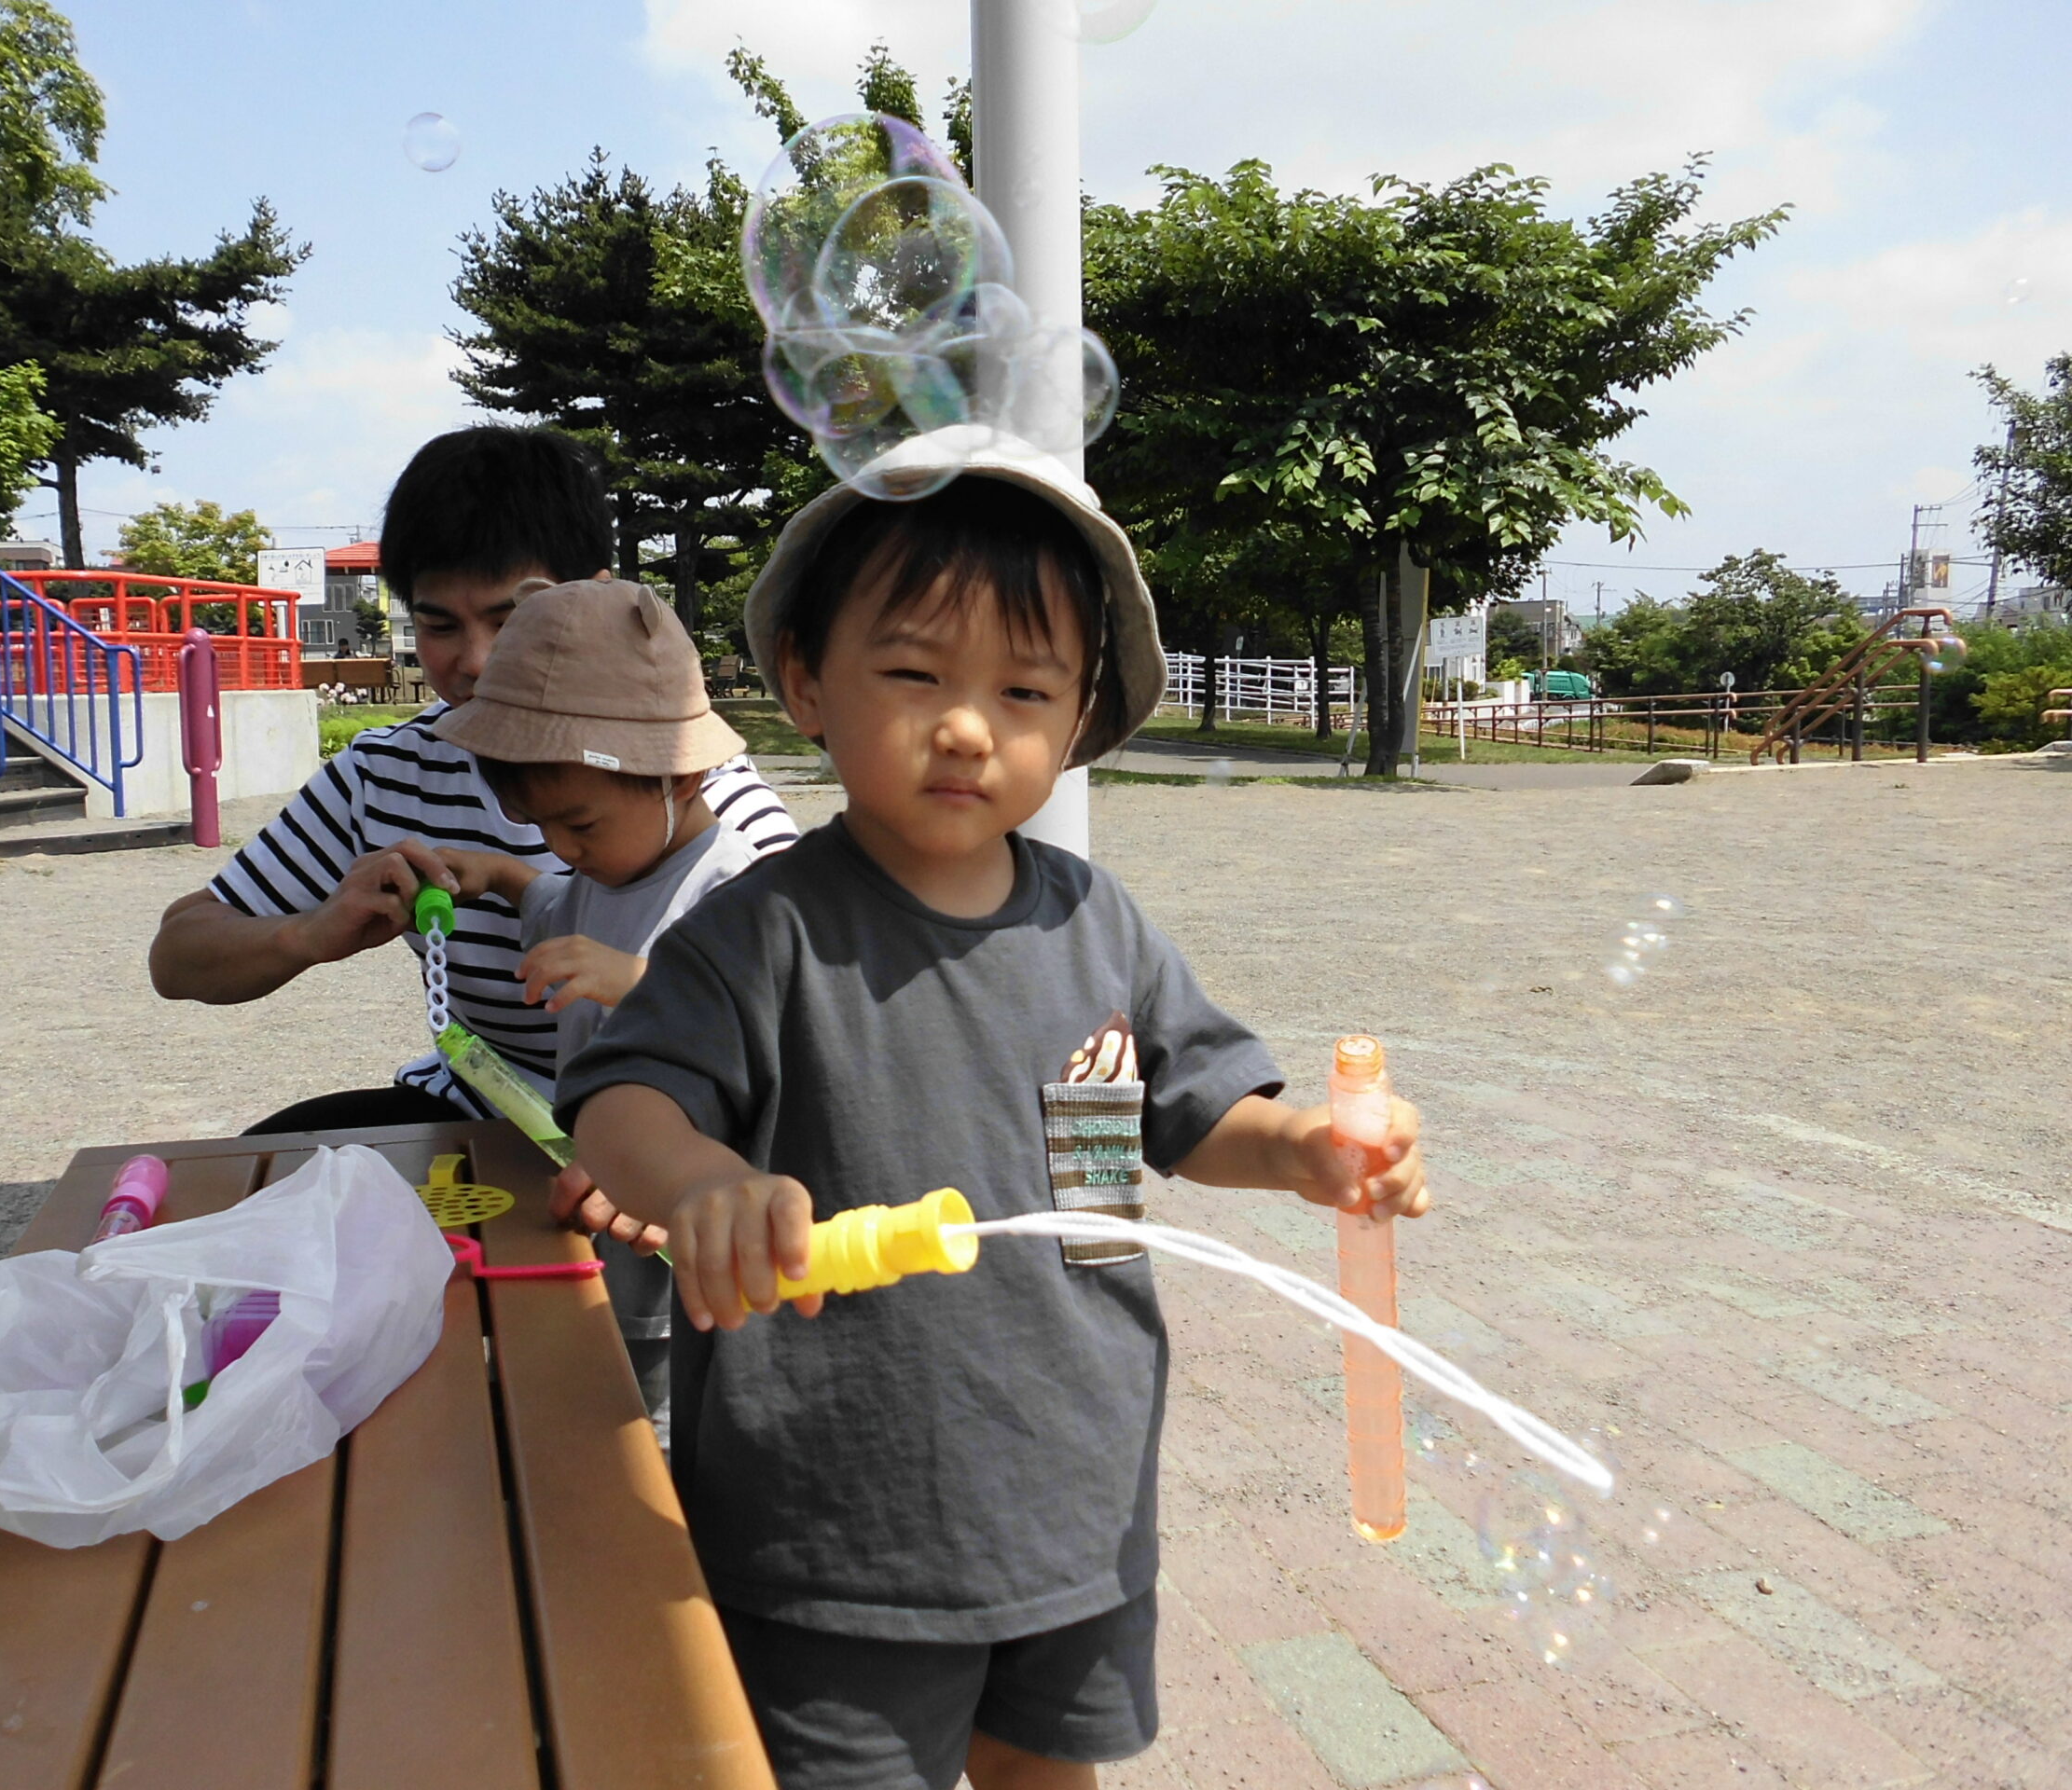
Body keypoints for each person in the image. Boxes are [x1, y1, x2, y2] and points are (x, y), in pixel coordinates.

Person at [555, 431, 1430, 1790]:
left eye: (1026, 691)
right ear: (808, 683)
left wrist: (1309, 1150)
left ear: (1076, 720)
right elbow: (622, 1100)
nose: (969, 726)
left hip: (1073, 1495)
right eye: (913, 674)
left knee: (1047, 1771)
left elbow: (1200, 1115)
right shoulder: (762, 935)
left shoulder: (1101, 927)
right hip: (831, 1528)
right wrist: (700, 1181)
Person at [145, 425, 796, 1131]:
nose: (478, 660)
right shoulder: (388, 771)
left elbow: (811, 1004)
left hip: (675, 1133)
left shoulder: (687, 787)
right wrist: (310, 933)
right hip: (483, 1107)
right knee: (272, 1161)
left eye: (512, 618)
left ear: (595, 602)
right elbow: (179, 957)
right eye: (440, 626)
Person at [422, 575, 766, 1436]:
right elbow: (551, 899)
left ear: (681, 776)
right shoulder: (599, 874)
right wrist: (494, 874)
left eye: (579, 822)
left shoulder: (737, 891)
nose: (560, 846)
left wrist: (643, 984)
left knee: (659, 1421)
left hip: (679, 1226)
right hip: (596, 1205)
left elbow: (780, 1026)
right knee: (591, 1392)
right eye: (538, 825)